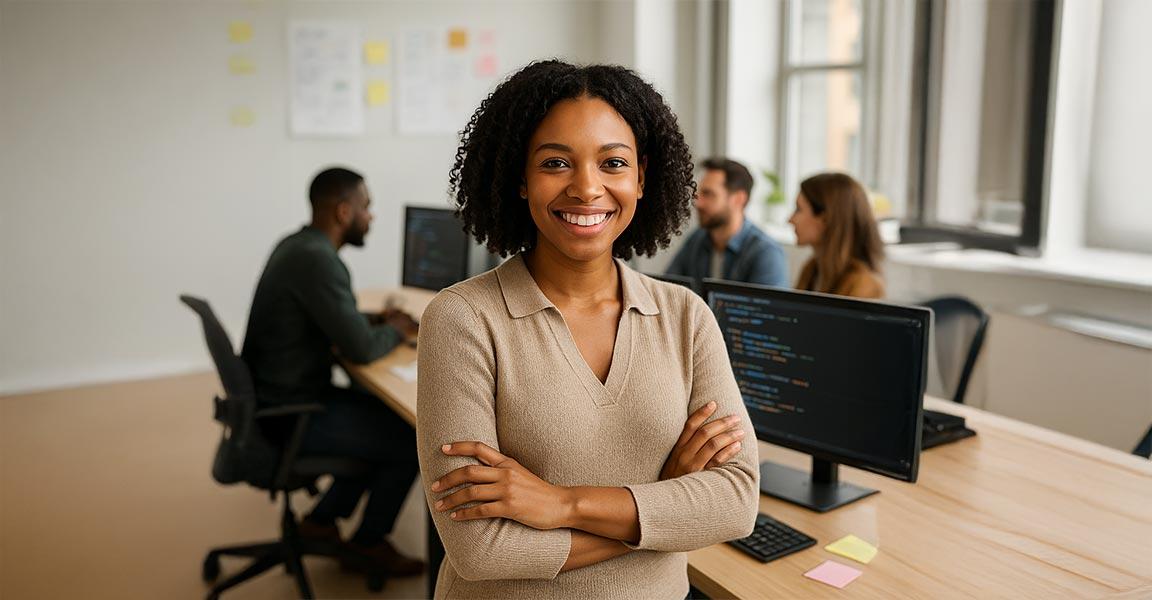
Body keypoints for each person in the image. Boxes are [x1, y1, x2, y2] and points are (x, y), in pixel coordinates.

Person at [416, 61, 759, 598]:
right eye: (556, 162)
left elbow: (735, 502)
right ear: (520, 180)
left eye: (613, 162)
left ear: (640, 178)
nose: (586, 187)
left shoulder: (685, 316)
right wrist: (662, 502)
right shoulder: (463, 319)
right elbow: (481, 550)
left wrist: (561, 504)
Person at [241, 166, 424, 576]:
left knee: (376, 413)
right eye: (366, 207)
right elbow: (359, 349)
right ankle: (369, 544)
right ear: (344, 212)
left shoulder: (298, 246)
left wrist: (373, 320)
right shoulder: (319, 262)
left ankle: (321, 523)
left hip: (275, 400)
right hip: (292, 414)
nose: (371, 217)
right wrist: (394, 329)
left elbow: (330, 317)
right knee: (411, 436)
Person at [664, 157, 788, 287]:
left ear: (738, 199)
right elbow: (666, 289)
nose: (697, 203)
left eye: (708, 194)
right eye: (698, 194)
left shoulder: (766, 253)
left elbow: (765, 307)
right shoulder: (696, 240)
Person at [789, 171, 885, 298]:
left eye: (798, 209)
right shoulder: (811, 270)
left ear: (825, 219)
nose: (790, 219)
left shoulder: (863, 284)